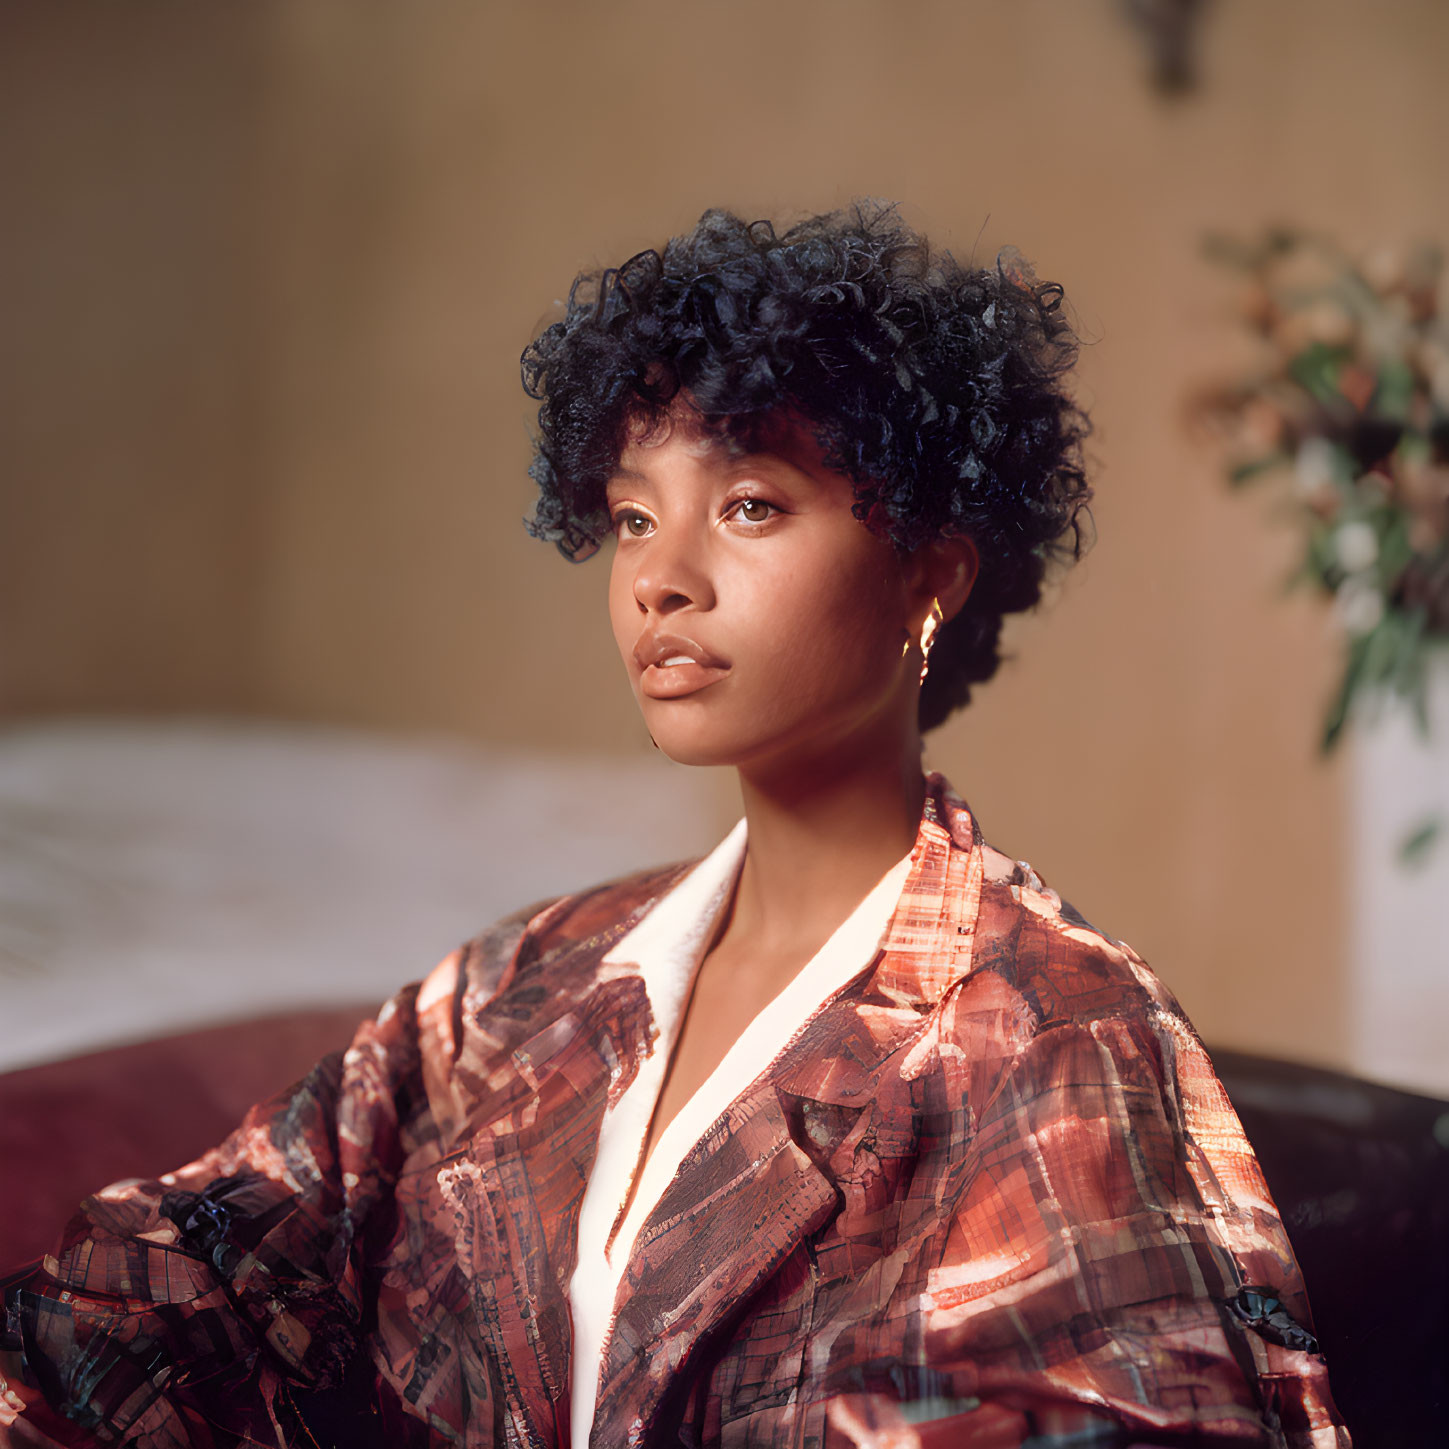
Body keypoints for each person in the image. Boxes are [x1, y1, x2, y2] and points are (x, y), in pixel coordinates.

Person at [1, 203, 1347, 1447]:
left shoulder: (1056, 1034)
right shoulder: (523, 984)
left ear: (929, 576)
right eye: (633, 516)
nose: (659, 579)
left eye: (750, 506)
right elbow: (192, 1278)